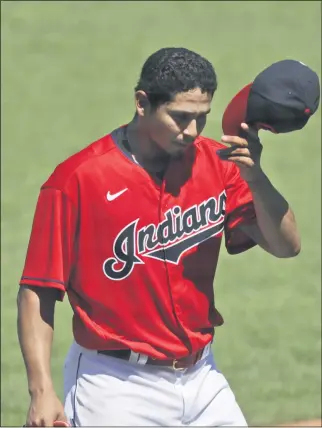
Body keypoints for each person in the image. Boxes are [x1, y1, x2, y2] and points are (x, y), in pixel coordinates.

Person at [17, 47, 301, 427]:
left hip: (202, 378)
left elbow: (286, 246)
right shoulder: (77, 179)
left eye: (202, 118)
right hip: (115, 385)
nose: (192, 132)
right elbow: (38, 289)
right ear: (142, 103)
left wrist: (255, 177)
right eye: (180, 117)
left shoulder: (219, 163)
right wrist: (41, 390)